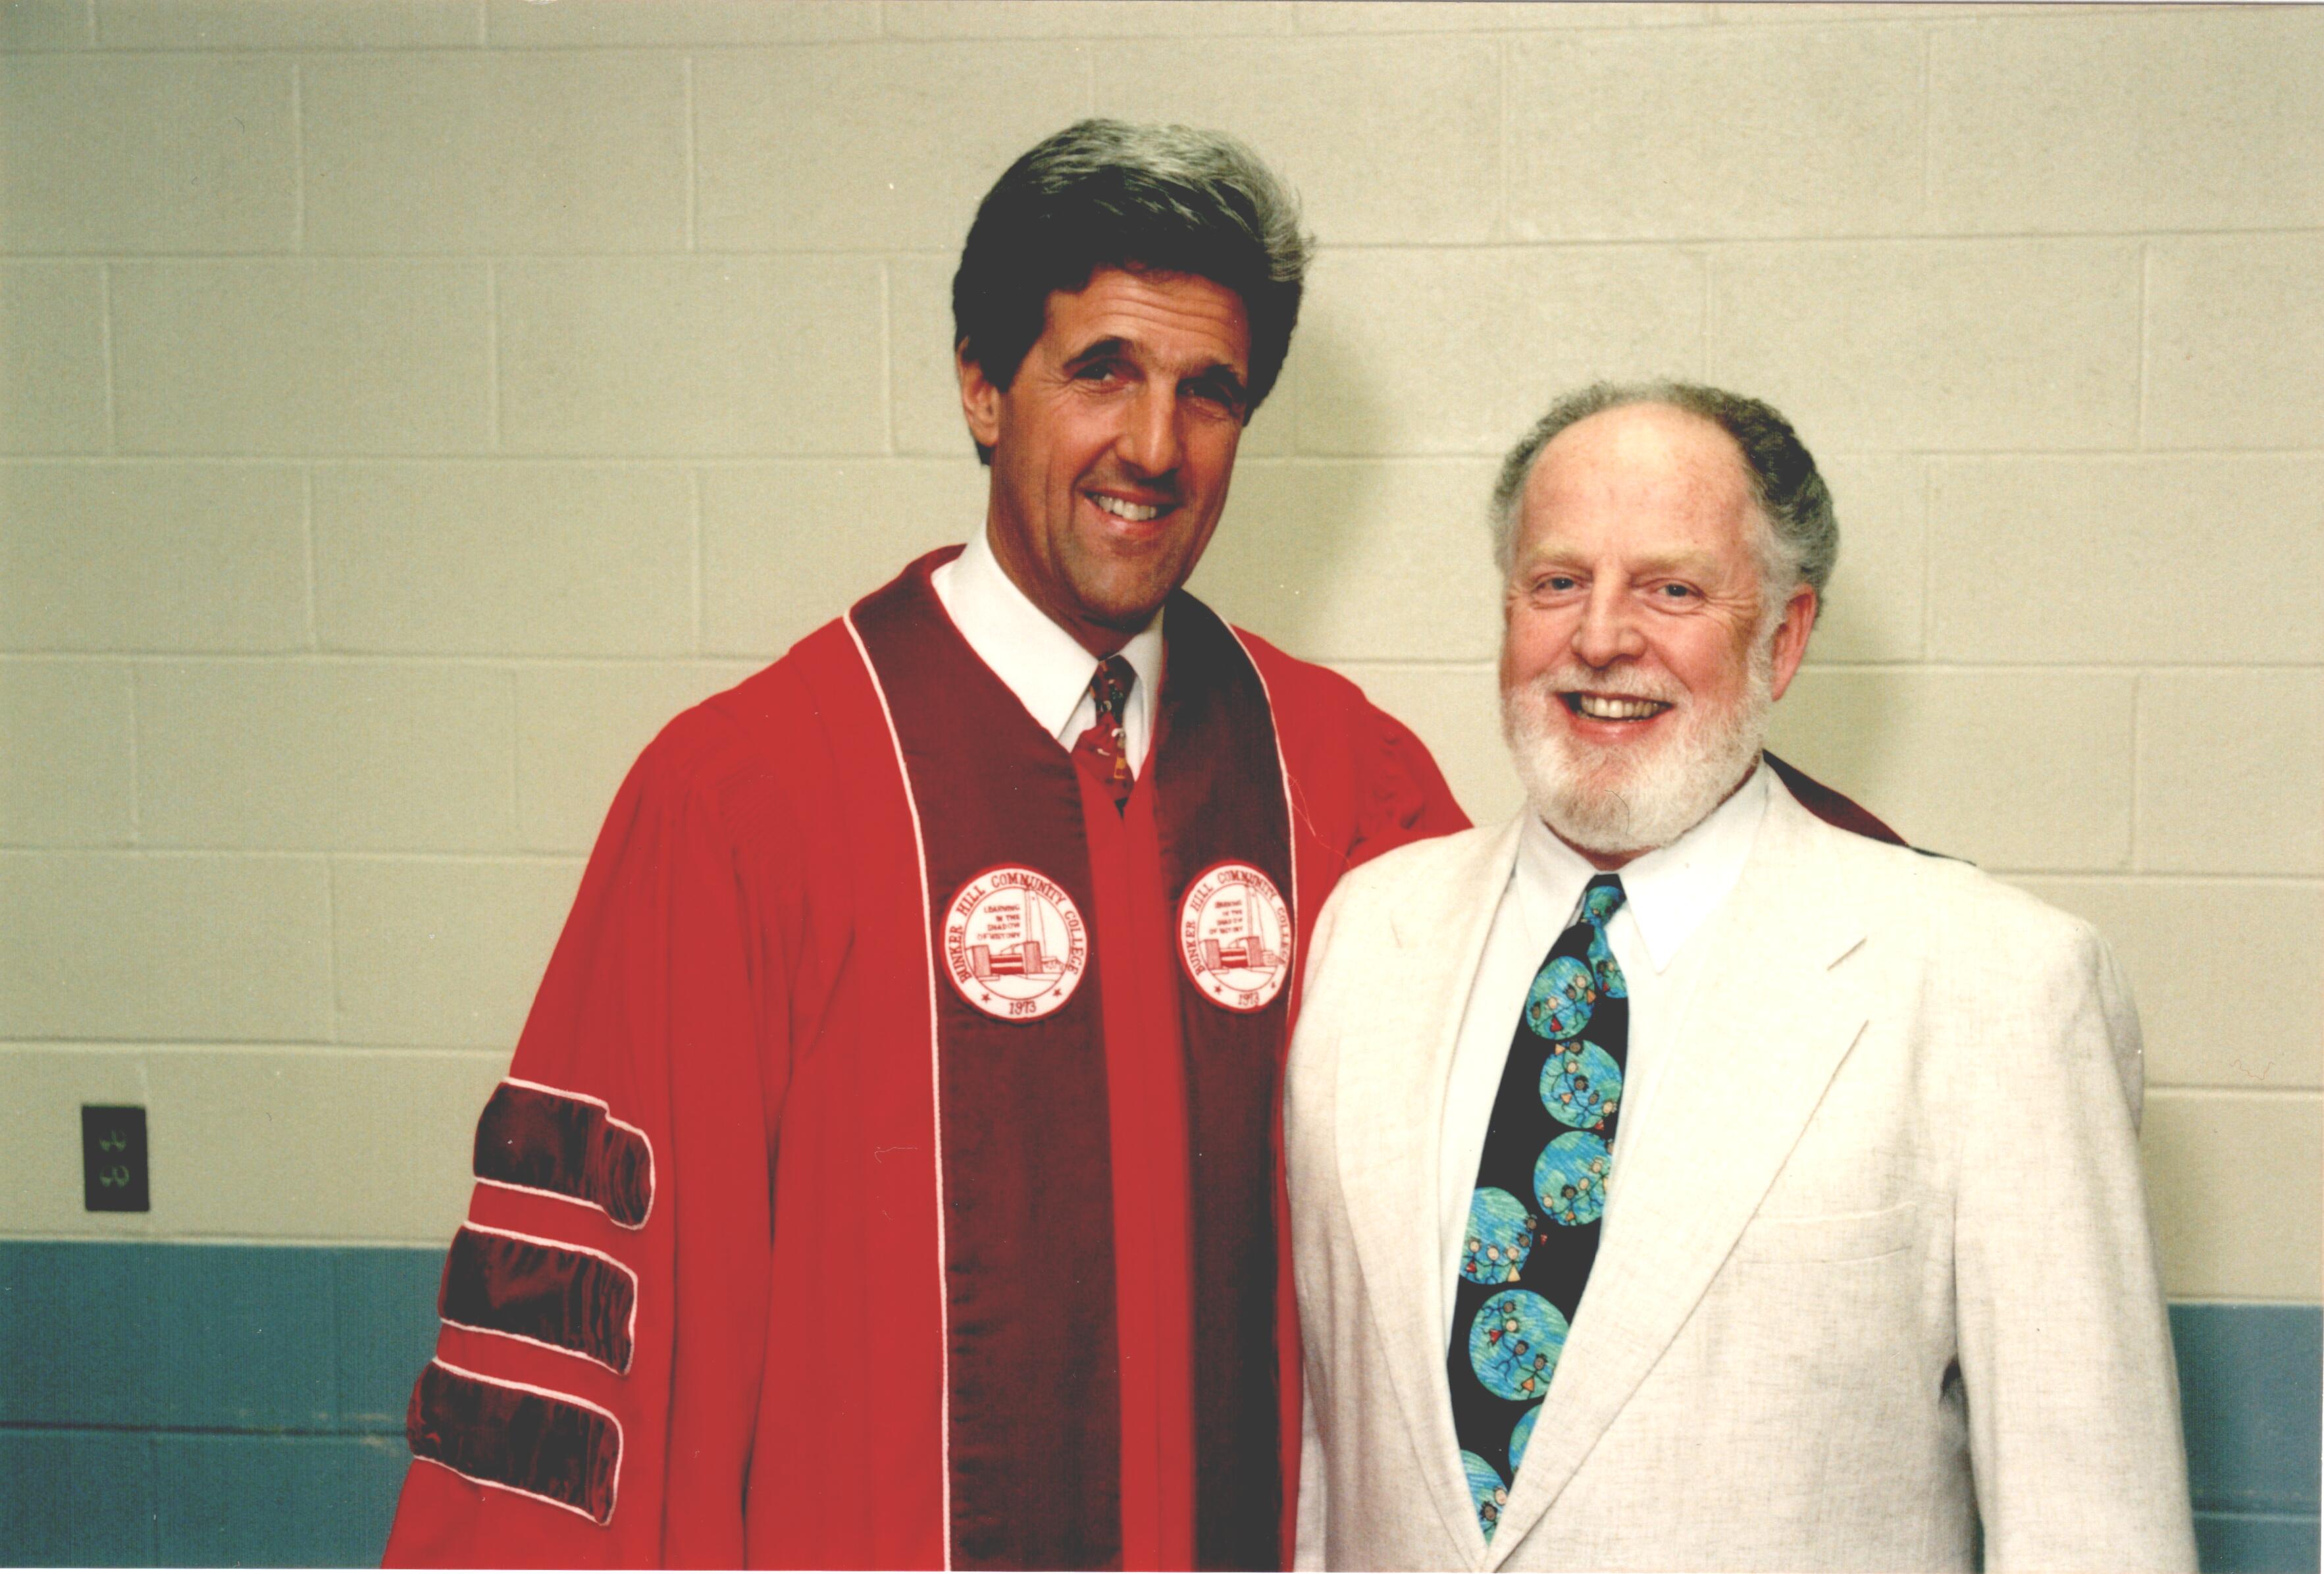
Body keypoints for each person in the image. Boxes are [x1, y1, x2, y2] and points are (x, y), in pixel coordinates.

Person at [380, 120, 1475, 1570]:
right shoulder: (744, 800)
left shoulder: (1342, 782)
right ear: (981, 384)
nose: (1154, 447)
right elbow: (597, 1363)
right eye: (1101, 372)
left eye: (1207, 393)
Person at [1284, 381, 2197, 1570]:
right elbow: (1327, 1477)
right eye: (1557, 582)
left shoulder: (1997, 985)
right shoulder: (1368, 933)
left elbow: (2096, 1532)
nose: (1601, 638)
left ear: (1785, 636)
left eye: (1672, 590)